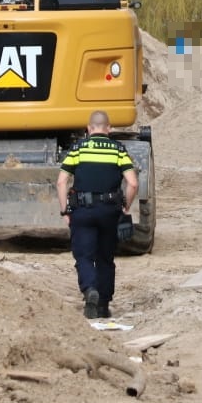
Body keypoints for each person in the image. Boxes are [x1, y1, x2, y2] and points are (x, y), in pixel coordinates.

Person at [56, 110, 139, 319]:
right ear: (109, 128)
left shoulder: (78, 149)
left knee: (84, 256)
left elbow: (61, 182)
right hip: (109, 211)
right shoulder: (118, 149)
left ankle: (89, 290)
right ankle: (103, 305)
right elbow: (133, 183)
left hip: (82, 211)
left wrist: (64, 209)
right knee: (105, 258)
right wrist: (125, 206)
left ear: (89, 128)